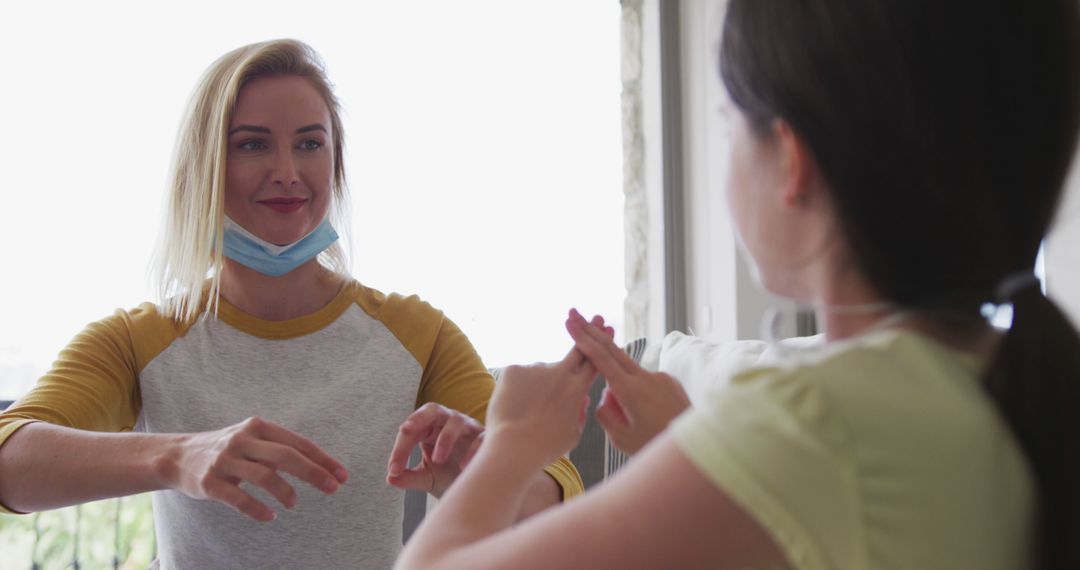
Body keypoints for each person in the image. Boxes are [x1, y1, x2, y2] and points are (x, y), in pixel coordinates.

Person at [393, 0, 1080, 568]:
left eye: (728, 127)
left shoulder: (815, 419)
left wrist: (514, 443)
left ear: (790, 160)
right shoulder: (1003, 378)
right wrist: (689, 442)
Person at [0, 39, 582, 569]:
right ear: (205, 169)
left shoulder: (417, 333)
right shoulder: (137, 340)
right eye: (253, 145)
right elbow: (9, 458)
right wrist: (177, 456)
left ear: (336, 165)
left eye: (310, 144)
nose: (287, 173)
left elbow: (554, 494)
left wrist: (482, 476)